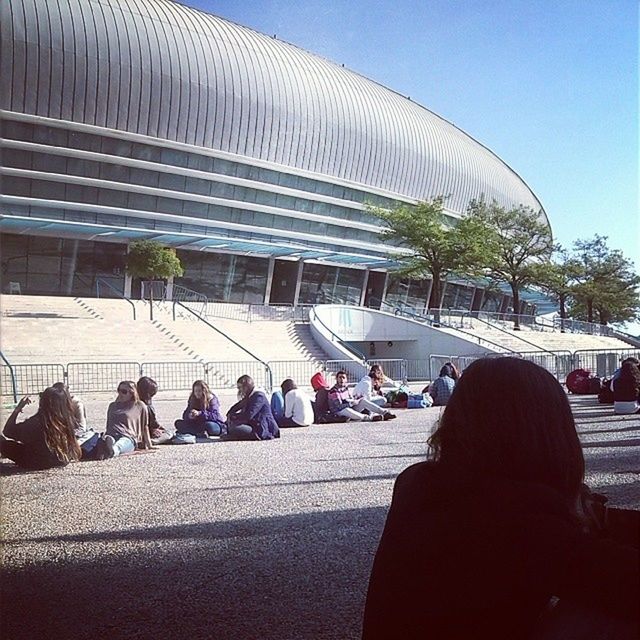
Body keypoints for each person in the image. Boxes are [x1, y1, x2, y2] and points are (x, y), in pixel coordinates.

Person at [363, 357, 639, 640]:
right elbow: (620, 576)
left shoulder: (420, 481)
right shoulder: (521, 522)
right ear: (549, 431)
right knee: (605, 614)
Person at [1, 387, 81, 470]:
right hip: (62, 460)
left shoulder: (37, 422)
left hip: (36, 462)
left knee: (3, 443)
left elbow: (8, 431)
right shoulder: (69, 420)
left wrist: (18, 409)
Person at [100, 380, 151, 459]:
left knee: (121, 444)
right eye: (119, 391)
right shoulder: (112, 406)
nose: (120, 394)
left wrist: (149, 444)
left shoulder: (139, 405)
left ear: (132, 393)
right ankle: (107, 447)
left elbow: (145, 426)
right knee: (109, 439)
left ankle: (112, 451)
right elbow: (109, 424)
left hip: (128, 436)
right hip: (112, 434)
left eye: (124, 392)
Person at [50, 381, 100, 459]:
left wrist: (69, 436)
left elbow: (81, 428)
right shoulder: (53, 405)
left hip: (76, 436)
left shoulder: (77, 405)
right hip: (61, 437)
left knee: (87, 442)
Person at [225, 375, 280, 440]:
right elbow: (238, 406)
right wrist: (230, 414)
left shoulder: (259, 396)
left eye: (240, 387)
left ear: (246, 386)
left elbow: (249, 415)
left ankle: (235, 435)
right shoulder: (249, 396)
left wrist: (234, 416)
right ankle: (234, 434)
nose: (239, 390)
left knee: (234, 427)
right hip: (253, 424)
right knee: (229, 424)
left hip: (262, 428)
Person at [328, 371, 396, 422]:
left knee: (363, 401)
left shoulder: (345, 388)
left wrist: (356, 400)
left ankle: (385, 413)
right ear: (336, 379)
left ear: (346, 380)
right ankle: (369, 418)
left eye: (343, 378)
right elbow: (339, 406)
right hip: (338, 411)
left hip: (349, 407)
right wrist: (351, 403)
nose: (341, 380)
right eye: (340, 377)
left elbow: (350, 399)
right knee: (346, 410)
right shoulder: (334, 391)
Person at [137, 376, 174, 444]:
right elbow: (150, 423)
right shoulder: (146, 406)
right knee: (169, 434)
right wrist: (155, 430)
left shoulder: (132, 401)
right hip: (143, 432)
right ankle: (151, 441)